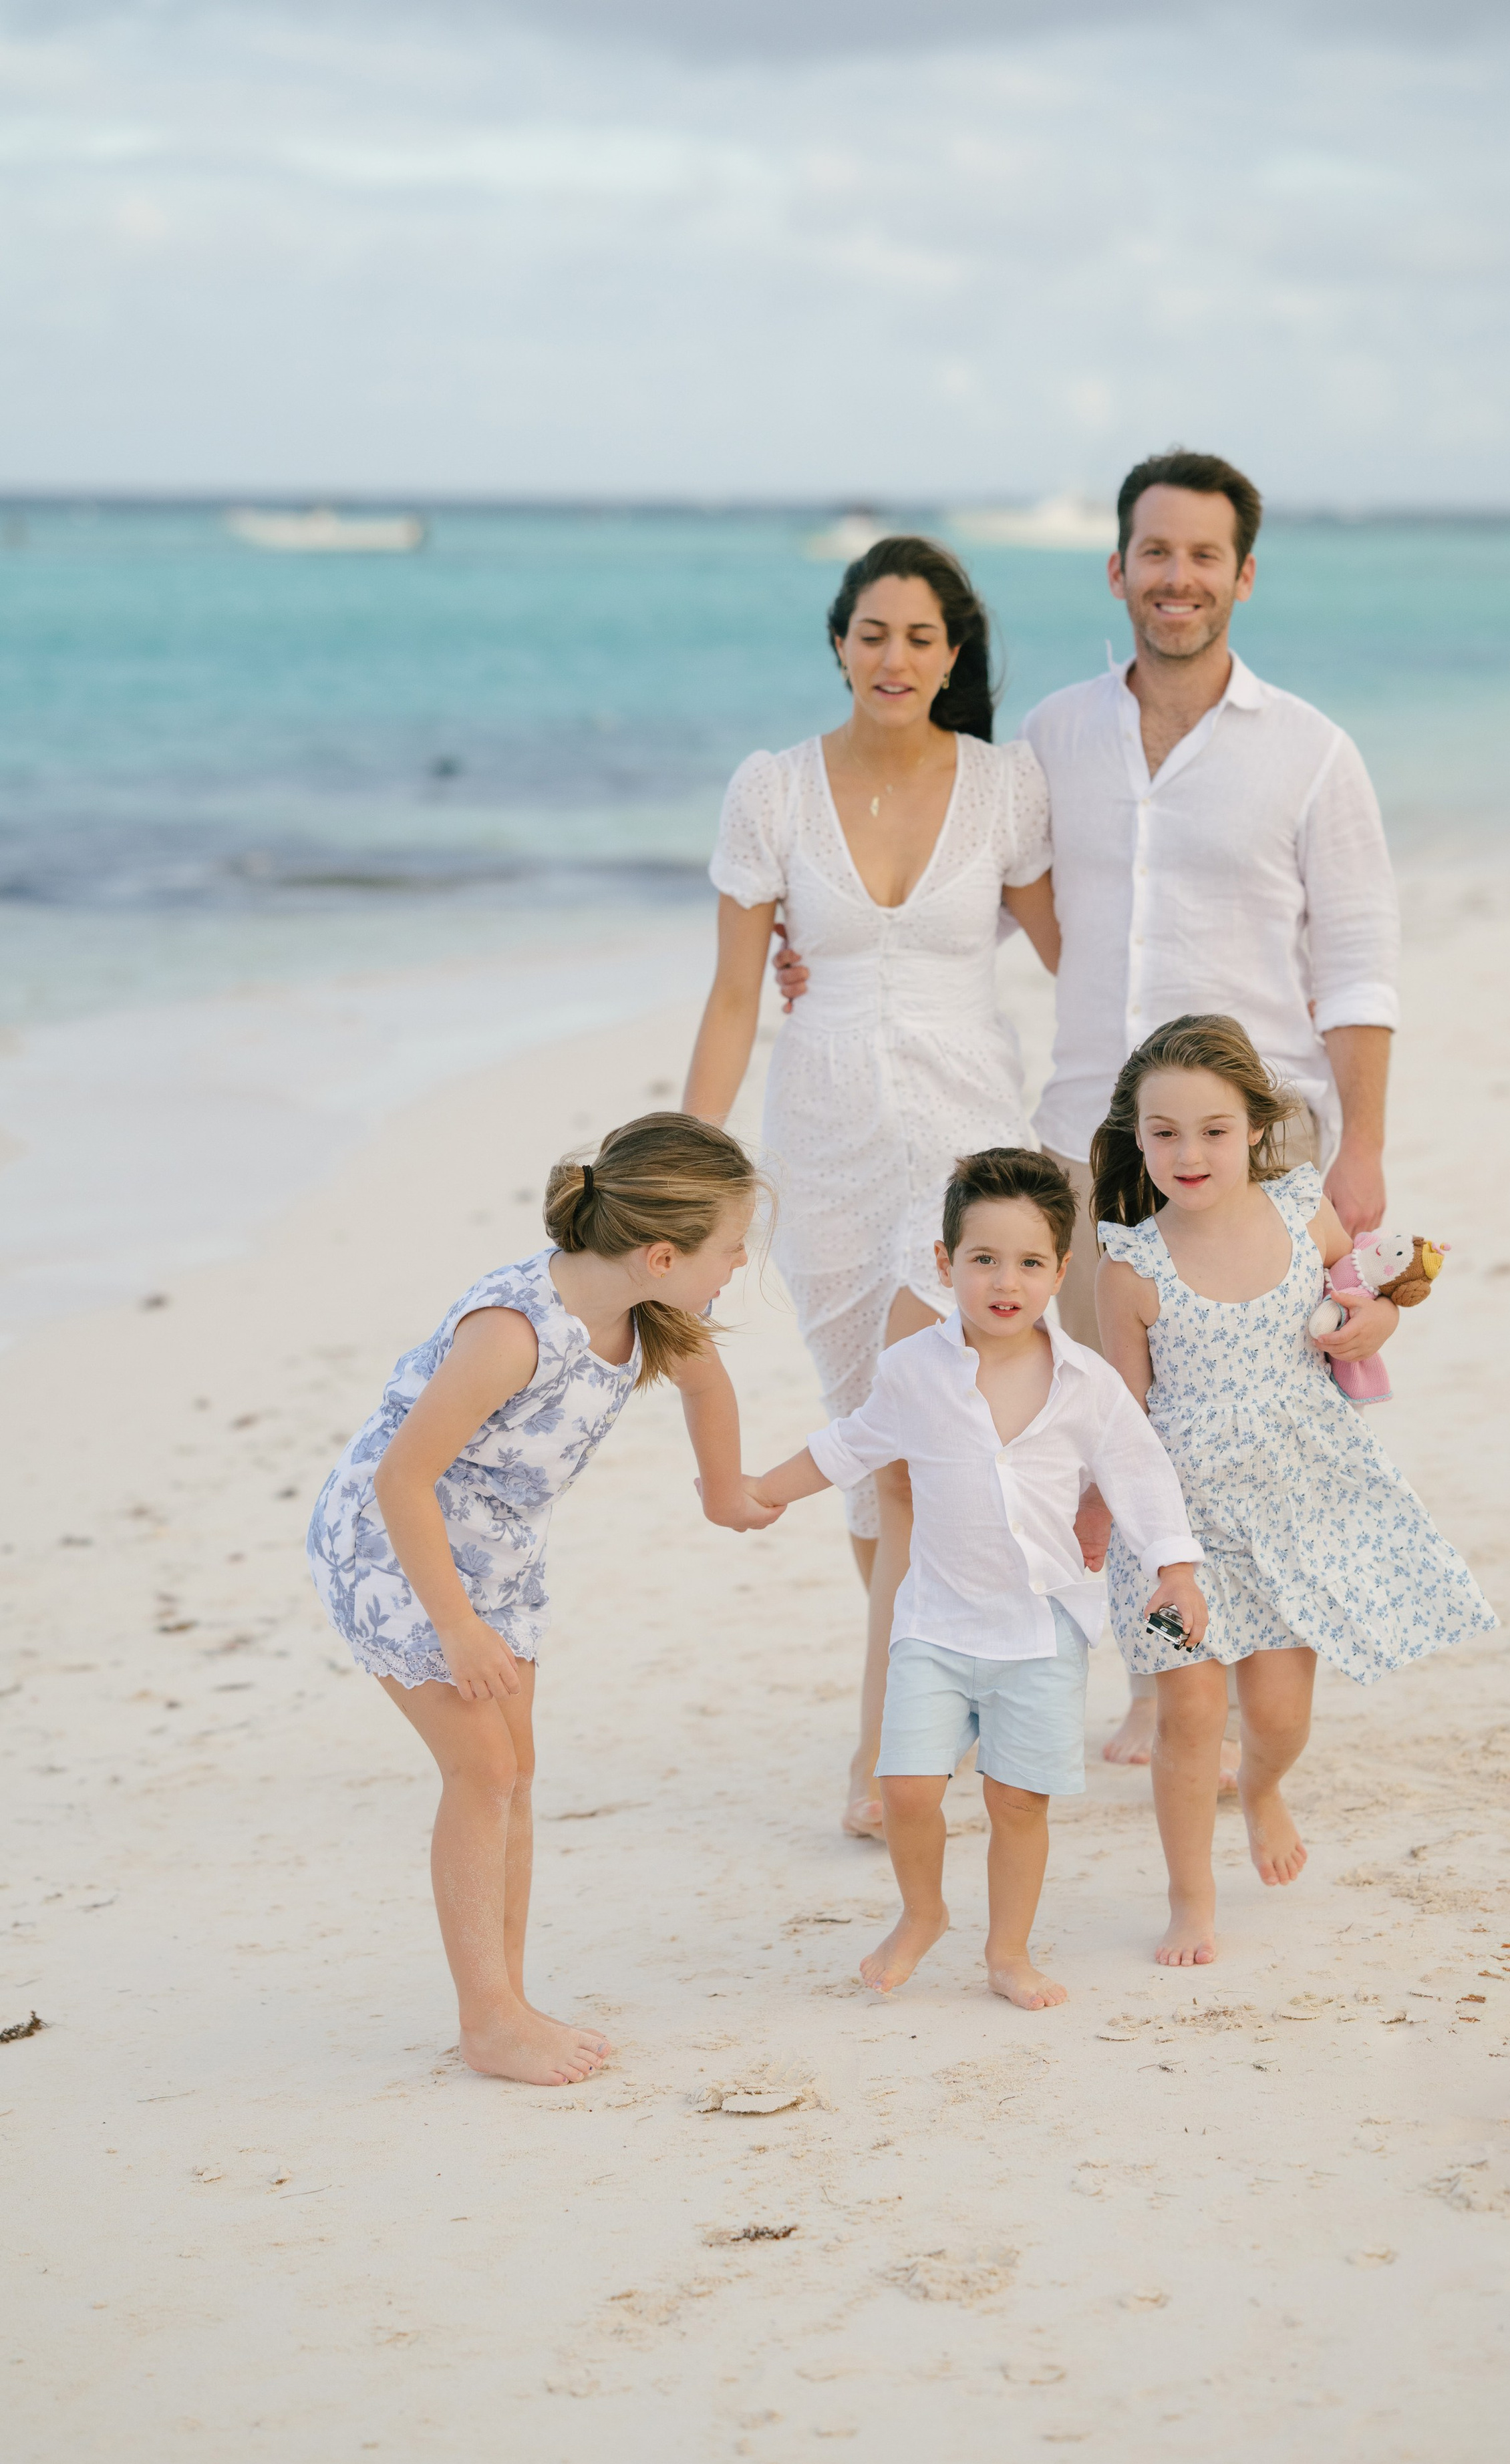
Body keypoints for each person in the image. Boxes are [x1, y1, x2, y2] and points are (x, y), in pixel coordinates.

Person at [773, 450, 1402, 1775]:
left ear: (1242, 575)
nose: (1178, 578)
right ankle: (1155, 1686)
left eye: (1203, 555)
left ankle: (1241, 1690)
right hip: (1084, 1140)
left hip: (1252, 1146)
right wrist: (819, 946)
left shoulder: (1310, 753)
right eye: (1154, 553)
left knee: (1244, 1436)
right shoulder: (1056, 736)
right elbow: (972, 889)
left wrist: (1364, 1150)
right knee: (1102, 1421)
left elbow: (1356, 966)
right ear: (1117, 569)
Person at [683, 536, 1060, 1842]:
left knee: (915, 1452)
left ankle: (883, 1754)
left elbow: (1078, 961)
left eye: (920, 637)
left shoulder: (1006, 788)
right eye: (873, 633)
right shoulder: (771, 791)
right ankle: (934, 1685)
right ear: (839, 644)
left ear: (953, 656)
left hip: (970, 1156)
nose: (895, 657)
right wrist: (685, 1170)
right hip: (826, 1153)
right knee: (868, 1451)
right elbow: (734, 997)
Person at [305, 1113, 780, 2087]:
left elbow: (709, 1388)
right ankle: (488, 2021)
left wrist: (723, 1490)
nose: (739, 1264)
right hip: (395, 1548)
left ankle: (507, 2001)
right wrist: (455, 1626)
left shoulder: (644, 1311)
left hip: (498, 1555)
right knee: (481, 1769)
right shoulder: (513, 1333)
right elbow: (401, 1478)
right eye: (733, 1247)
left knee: (515, 1771)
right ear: (661, 1253)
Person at [745, 1148, 1205, 2008]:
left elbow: (1140, 1473)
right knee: (905, 1787)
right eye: (983, 1258)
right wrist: (763, 1490)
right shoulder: (913, 1370)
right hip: (935, 1622)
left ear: (1060, 1271)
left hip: (1038, 1630)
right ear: (944, 1262)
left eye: (1029, 1263)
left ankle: (1008, 1953)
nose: (1005, 1281)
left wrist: (1175, 1569)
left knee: (1017, 1801)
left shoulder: (1086, 1382)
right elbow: (851, 1443)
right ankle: (922, 1913)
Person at [1090, 1016, 1497, 1968]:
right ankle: (1191, 1898)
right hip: (1185, 1528)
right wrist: (1111, 1518)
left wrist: (1375, 1323)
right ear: (1135, 1137)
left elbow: (1362, 1301)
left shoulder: (1302, 1213)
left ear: (1255, 1128)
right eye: (1163, 1133)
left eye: (1213, 1130)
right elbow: (1122, 1419)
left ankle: (1264, 1788)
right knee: (1190, 1717)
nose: (1188, 1154)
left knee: (1278, 1719)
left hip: (1295, 1505)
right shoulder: (1129, 1268)